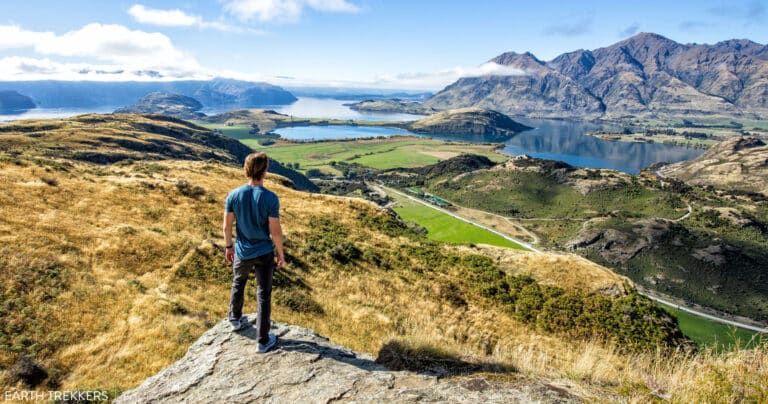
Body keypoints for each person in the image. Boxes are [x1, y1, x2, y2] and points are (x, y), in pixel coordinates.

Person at [223, 152, 285, 353]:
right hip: (264, 252)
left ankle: (235, 319)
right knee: (263, 293)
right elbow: (275, 231)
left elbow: (226, 227)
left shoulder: (233, 195)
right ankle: (262, 340)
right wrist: (280, 254)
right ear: (265, 171)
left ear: (246, 170)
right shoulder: (270, 198)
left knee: (238, 282)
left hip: (242, 251)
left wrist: (228, 247)